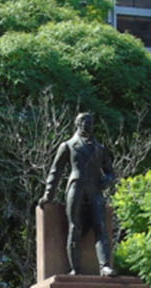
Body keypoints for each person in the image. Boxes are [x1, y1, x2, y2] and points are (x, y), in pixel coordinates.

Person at [42, 111, 117, 276]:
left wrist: (107, 180)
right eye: (85, 123)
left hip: (95, 190)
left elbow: (110, 172)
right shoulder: (68, 145)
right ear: (77, 124)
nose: (88, 126)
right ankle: (75, 268)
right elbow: (55, 171)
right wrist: (48, 195)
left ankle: (105, 266)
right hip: (76, 188)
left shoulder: (100, 148)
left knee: (101, 227)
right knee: (74, 227)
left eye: (90, 123)